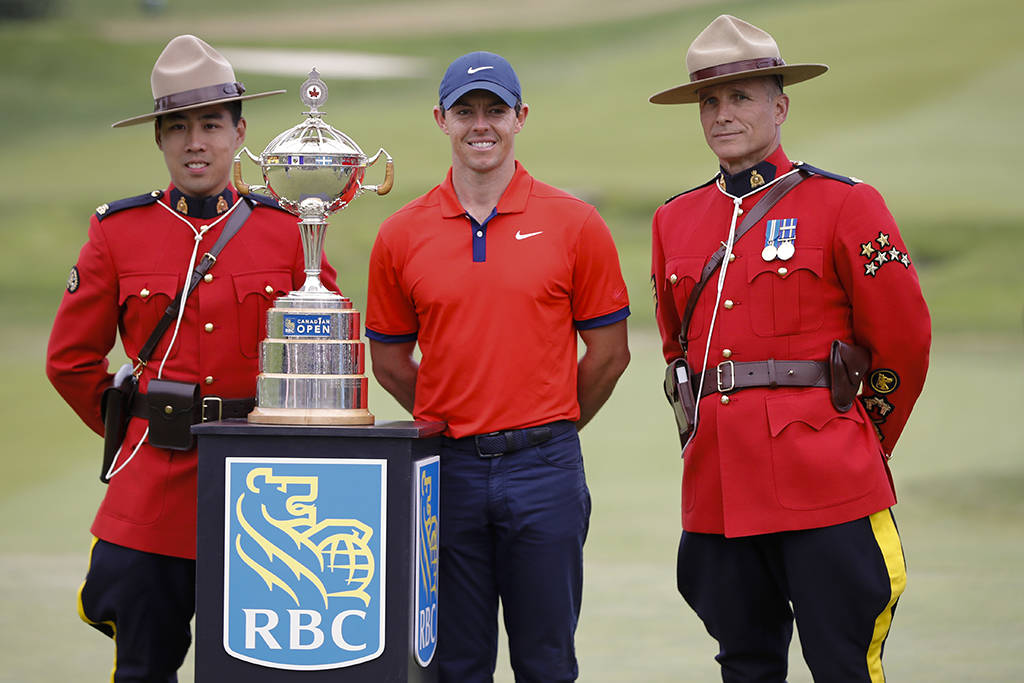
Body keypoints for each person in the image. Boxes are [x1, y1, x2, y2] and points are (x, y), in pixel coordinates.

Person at [45, 35, 338, 681]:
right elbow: (70, 360)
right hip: (155, 492)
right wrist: (140, 427)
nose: (194, 142)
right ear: (158, 140)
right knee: (144, 667)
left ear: (240, 132)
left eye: (210, 124)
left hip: (266, 495)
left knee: (268, 668)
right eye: (176, 127)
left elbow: (322, 352)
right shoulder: (117, 232)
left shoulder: (287, 229)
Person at [649, 15, 930, 682]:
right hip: (719, 489)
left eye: (741, 96)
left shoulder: (846, 205)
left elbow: (904, 340)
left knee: (843, 662)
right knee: (744, 664)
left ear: (780, 105)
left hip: (826, 481)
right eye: (710, 101)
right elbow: (678, 352)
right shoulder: (674, 219)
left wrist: (861, 437)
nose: (722, 114)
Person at [366, 51, 631, 682]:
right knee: (456, 663)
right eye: (465, 112)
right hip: (448, 470)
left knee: (546, 661)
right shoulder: (402, 234)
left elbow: (610, 353)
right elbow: (390, 359)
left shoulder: (574, 222)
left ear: (520, 118)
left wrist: (552, 418)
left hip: (546, 468)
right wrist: (450, 414)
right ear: (441, 119)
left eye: (495, 110)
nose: (480, 125)